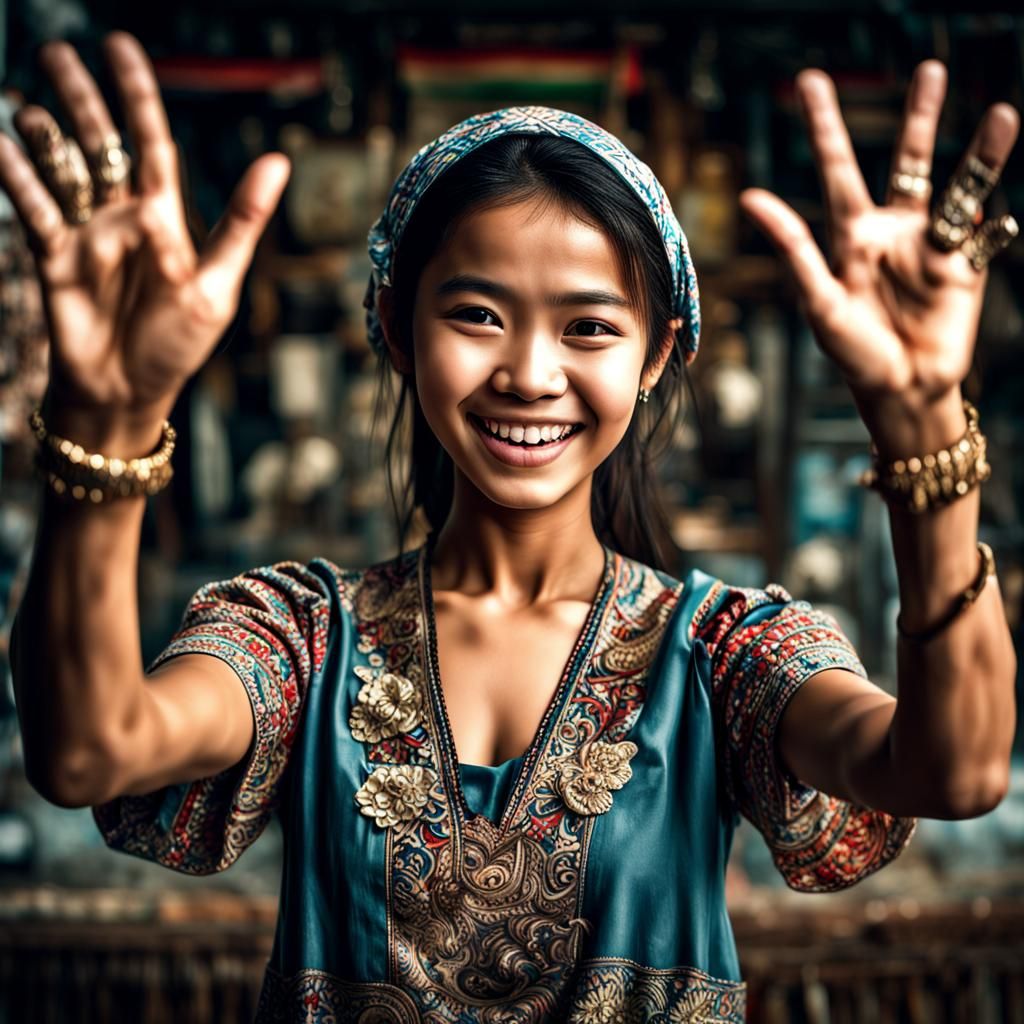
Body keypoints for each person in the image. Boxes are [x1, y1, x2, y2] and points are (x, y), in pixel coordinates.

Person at [5, 31, 1018, 1023]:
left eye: (588, 328)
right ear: (397, 327)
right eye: (478, 315)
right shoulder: (304, 639)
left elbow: (953, 768)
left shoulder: (719, 655)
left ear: (655, 355)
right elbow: (92, 751)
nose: (531, 374)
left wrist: (923, 421)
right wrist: (107, 419)